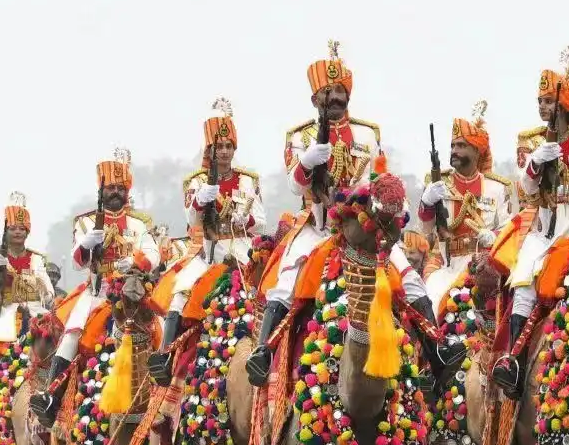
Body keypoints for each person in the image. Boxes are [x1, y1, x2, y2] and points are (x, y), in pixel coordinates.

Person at [249, 42, 437, 386]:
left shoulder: (368, 134)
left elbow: (380, 178)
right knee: (286, 282)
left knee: (410, 278)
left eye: (339, 90)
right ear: (315, 99)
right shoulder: (300, 136)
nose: (334, 97)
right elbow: (296, 183)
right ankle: (263, 353)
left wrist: (393, 210)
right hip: (316, 227)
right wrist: (309, 160)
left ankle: (438, 354)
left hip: (364, 228)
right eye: (327, 92)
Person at [489, 48, 569, 397]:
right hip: (544, 229)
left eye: (549, 102)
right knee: (524, 281)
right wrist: (536, 163)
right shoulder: (530, 141)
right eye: (540, 101)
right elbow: (526, 190)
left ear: (565, 106)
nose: (543, 107)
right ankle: (514, 362)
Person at [153, 100, 265, 379]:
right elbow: (192, 220)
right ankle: (166, 356)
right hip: (207, 253)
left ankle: (264, 353)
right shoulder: (196, 181)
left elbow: (261, 221)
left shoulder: (247, 180)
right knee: (180, 288)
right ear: (210, 150)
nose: (224, 152)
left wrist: (243, 219)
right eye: (219, 147)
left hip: (241, 251)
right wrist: (204, 196)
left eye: (229, 147)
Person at [51, 150, 164, 391]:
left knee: (162, 327)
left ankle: (169, 388)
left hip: (134, 292)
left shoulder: (139, 224)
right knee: (71, 335)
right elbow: (76, 262)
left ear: (127, 192)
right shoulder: (85, 222)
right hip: (98, 293)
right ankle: (50, 395)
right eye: (110, 187)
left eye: (120, 188)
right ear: (101, 191)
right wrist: (87, 243)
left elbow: (154, 254)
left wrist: (135, 261)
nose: (115, 192)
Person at [416, 100, 518, 307]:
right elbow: (426, 231)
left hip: (484, 268)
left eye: (461, 146)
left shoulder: (496, 188)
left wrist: (494, 236)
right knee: (432, 306)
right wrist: (426, 202)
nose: (454, 151)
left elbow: (510, 230)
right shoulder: (438, 184)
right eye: (453, 145)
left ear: (477, 151)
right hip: (448, 267)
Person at [0, 194, 56, 386]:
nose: (17, 232)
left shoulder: (36, 258)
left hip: (35, 310)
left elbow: (48, 289)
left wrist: (43, 291)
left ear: (27, 232)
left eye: (21, 229)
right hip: (5, 310)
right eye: (12, 228)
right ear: (5, 231)